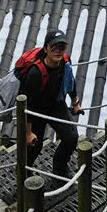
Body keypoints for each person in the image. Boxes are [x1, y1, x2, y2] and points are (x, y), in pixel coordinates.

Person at [18, 28, 82, 177]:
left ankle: (59, 168)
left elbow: (70, 82)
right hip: (35, 111)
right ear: (46, 48)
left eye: (62, 47)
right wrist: (28, 133)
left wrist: (75, 102)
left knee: (71, 138)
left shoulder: (65, 61)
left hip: (55, 104)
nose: (58, 51)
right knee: (34, 146)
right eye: (54, 47)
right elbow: (29, 105)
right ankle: (24, 176)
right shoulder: (35, 72)